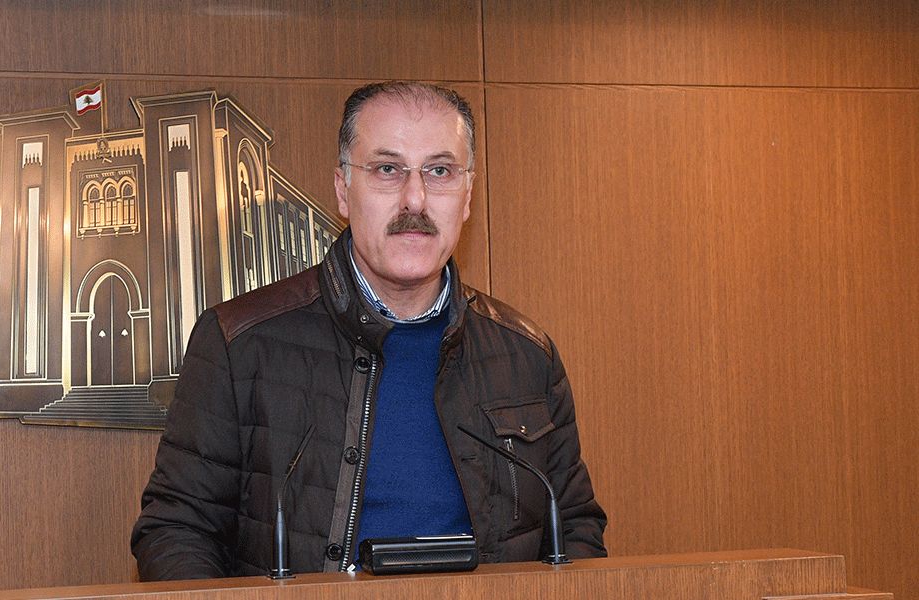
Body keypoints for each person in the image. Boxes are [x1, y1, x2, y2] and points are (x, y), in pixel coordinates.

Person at [131, 81, 606, 580]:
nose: (415, 200)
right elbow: (176, 531)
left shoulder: (527, 355)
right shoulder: (239, 343)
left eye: (439, 171)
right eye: (387, 170)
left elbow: (575, 529)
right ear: (343, 190)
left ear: (467, 196)